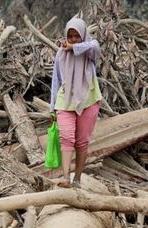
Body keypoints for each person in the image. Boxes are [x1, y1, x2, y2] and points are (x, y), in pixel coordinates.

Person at [49, 17, 102, 187]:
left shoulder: (89, 51)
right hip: (66, 100)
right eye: (69, 36)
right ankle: (66, 178)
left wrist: (75, 47)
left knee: (82, 142)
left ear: (82, 36)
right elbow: (56, 81)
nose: (71, 39)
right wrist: (52, 107)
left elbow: (95, 45)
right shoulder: (61, 54)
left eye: (76, 36)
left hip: (88, 98)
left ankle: (77, 179)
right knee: (66, 137)